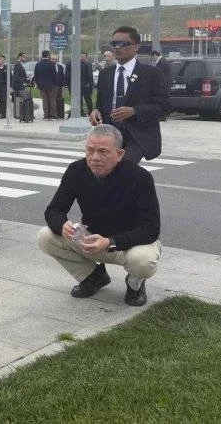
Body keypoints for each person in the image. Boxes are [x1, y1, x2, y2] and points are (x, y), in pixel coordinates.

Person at [37, 124, 161, 306]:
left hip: (127, 244)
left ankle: (135, 285)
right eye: (90, 150)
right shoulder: (76, 170)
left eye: (103, 152)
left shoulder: (139, 177)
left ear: (119, 154)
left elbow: (150, 229)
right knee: (46, 236)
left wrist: (110, 242)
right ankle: (93, 277)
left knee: (143, 261)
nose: (95, 158)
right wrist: (62, 225)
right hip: (91, 239)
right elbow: (54, 210)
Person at [88, 26, 171, 163]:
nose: (117, 48)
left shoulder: (150, 73)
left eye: (123, 44)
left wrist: (134, 111)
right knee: (102, 171)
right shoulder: (106, 74)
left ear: (136, 47)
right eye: (114, 44)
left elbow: (165, 106)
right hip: (111, 135)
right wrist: (96, 112)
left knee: (124, 168)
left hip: (138, 135)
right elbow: (101, 104)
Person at [34, 50, 58, 120]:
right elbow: (54, 75)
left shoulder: (38, 64)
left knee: (45, 101)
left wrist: (38, 84)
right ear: (48, 55)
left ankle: (46, 116)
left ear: (42, 55)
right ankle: (53, 115)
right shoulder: (51, 64)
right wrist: (55, 84)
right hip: (52, 85)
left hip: (42, 86)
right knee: (52, 100)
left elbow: (36, 76)